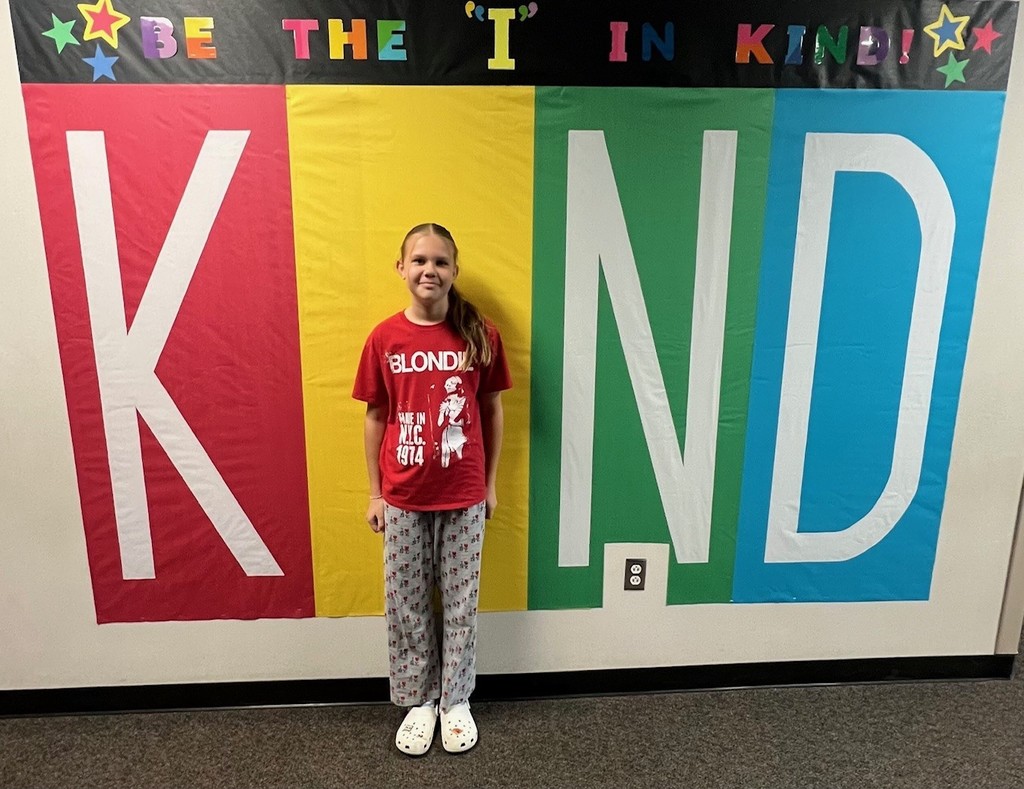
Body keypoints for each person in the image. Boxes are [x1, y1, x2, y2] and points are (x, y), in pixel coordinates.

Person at [352, 222, 511, 756]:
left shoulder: (480, 335)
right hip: (402, 497)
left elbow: (492, 410)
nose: (429, 270)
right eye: (419, 260)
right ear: (401, 268)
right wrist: (375, 493)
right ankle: (419, 700)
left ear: (455, 271)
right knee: (408, 602)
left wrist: (489, 484)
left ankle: (455, 701)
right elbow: (376, 416)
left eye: (440, 262)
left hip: (463, 493)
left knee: (461, 603)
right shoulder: (384, 338)